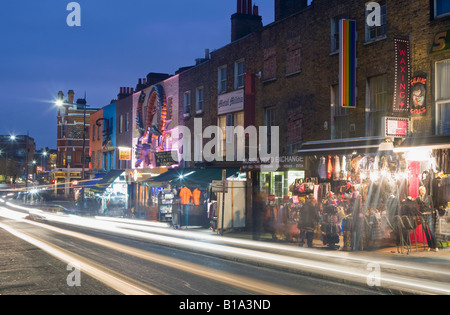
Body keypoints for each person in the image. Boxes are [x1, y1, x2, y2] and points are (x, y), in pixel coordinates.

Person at [417, 186, 438, 252]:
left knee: (431, 230)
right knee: (425, 231)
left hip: (428, 214)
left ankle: (435, 245)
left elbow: (432, 206)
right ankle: (430, 245)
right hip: (422, 215)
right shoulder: (418, 198)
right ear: (420, 191)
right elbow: (417, 207)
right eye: (421, 190)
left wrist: (432, 214)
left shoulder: (429, 197)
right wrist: (419, 214)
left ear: (425, 190)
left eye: (424, 190)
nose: (423, 191)